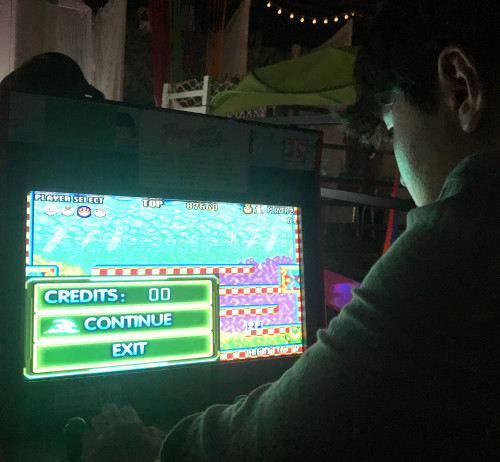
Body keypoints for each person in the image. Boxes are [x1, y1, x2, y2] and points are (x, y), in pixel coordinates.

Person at [85, 0, 499, 460]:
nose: (399, 170)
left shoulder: (464, 239)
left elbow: (272, 439)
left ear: (461, 88)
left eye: (391, 128)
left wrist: (144, 448)